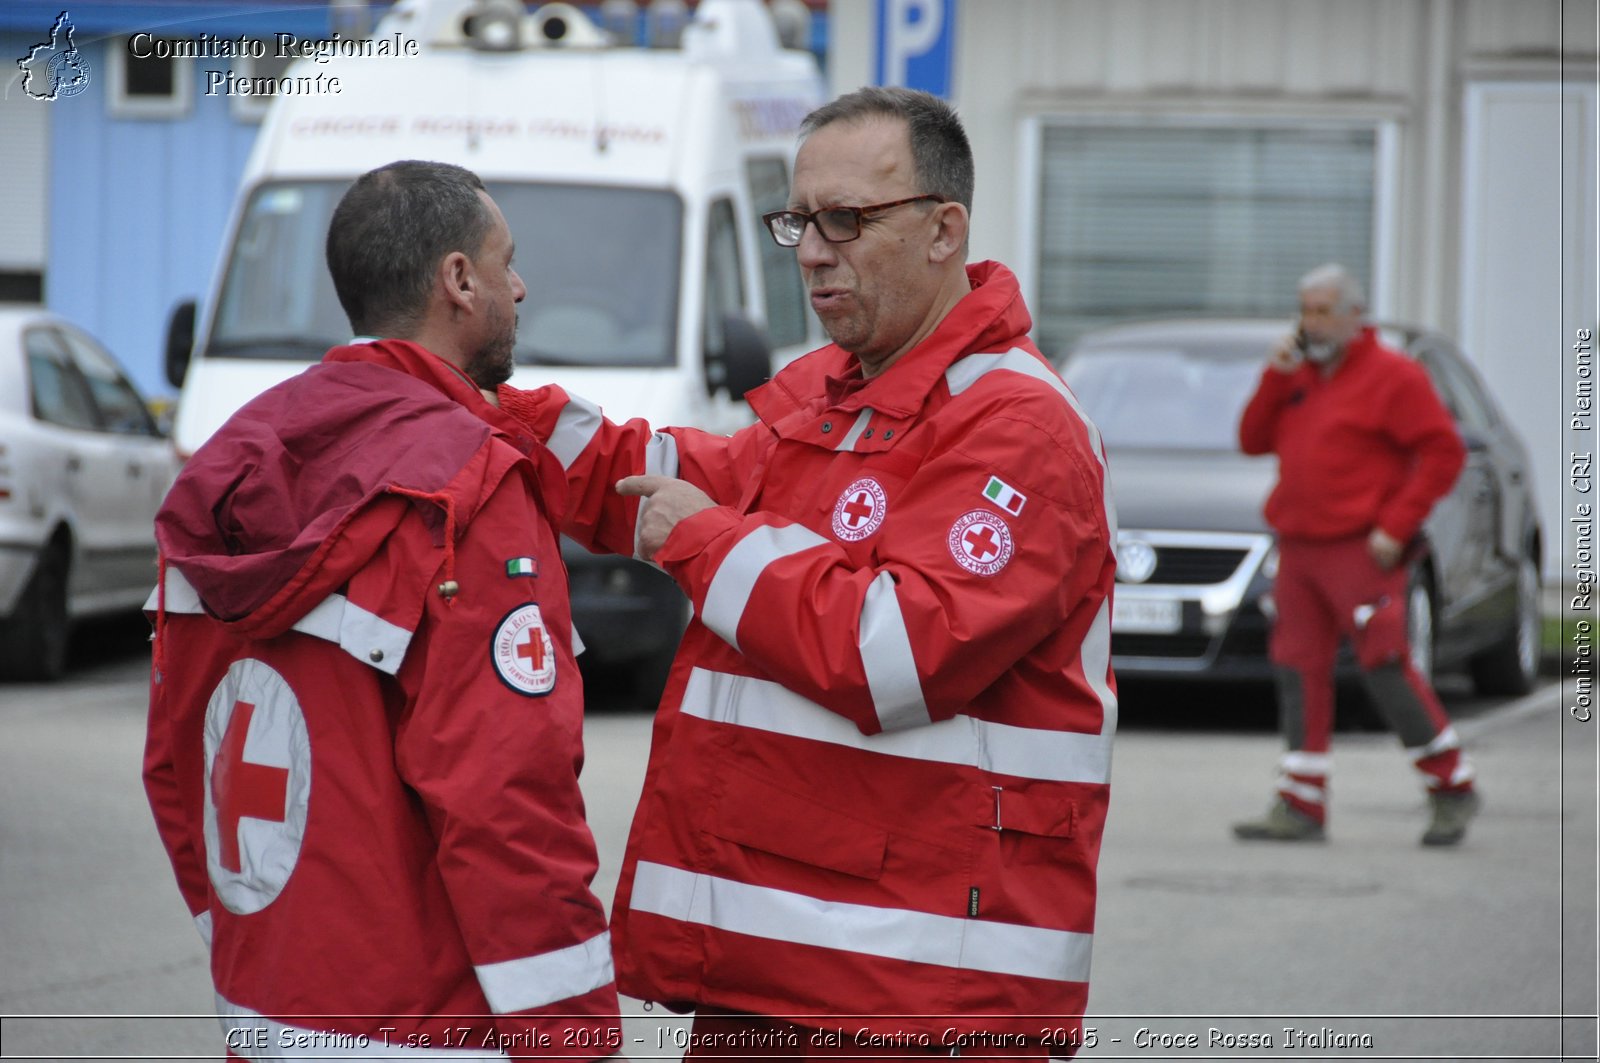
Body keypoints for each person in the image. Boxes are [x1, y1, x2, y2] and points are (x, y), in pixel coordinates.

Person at [494, 87, 1117, 1058]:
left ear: (943, 230)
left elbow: (895, 653)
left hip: (917, 1003)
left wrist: (703, 541)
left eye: (847, 220)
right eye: (800, 221)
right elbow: (668, 473)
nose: (814, 250)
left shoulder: (1018, 425)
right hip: (798, 978)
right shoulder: (852, 397)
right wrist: (489, 407)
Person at [142, 160, 622, 1059]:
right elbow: (508, 800)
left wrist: (243, 942)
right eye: (505, 261)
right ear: (458, 280)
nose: (519, 287)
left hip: (265, 1007)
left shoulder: (222, 466)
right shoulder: (468, 486)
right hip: (432, 1024)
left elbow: (175, 760)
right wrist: (576, 1039)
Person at [1234, 263, 1480, 846]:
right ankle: (1301, 802)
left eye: (1322, 311)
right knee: (1297, 669)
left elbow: (1443, 452)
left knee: (1385, 665)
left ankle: (1451, 787)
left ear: (1353, 316)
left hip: (1361, 550)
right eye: (1305, 310)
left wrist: (1397, 525)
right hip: (1299, 548)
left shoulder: (1394, 377)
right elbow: (1251, 440)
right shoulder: (1300, 376)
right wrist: (1275, 376)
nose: (1310, 323)